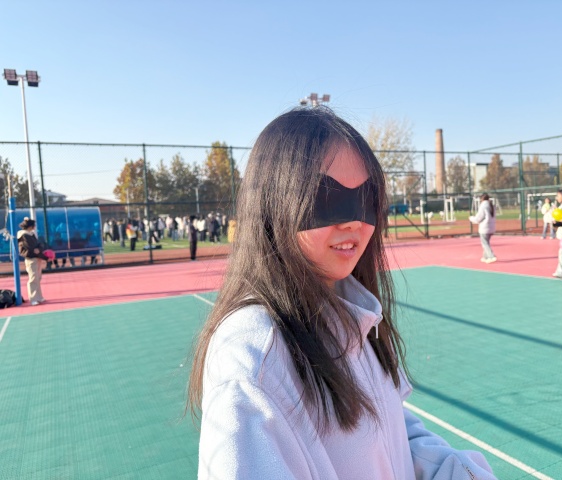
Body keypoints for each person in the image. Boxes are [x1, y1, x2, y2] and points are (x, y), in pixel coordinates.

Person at [188, 108, 495, 479]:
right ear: (275, 204)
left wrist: (455, 471)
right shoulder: (252, 359)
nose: (354, 221)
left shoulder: (358, 318)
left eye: (366, 198)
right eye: (328, 197)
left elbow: (391, 433)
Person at [17, 218, 49, 306]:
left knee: (38, 277)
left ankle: (39, 297)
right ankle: (33, 298)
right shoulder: (24, 235)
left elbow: (39, 245)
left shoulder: (31, 234)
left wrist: (39, 249)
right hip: (31, 259)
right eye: (34, 225)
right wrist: (45, 257)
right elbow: (31, 248)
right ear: (31, 226)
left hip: (37, 258)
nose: (35, 227)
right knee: (33, 278)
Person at [469, 193, 497, 263]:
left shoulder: (483, 206)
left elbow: (479, 218)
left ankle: (491, 256)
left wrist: (471, 218)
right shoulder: (491, 205)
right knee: (486, 243)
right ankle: (485, 257)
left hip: (485, 228)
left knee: (485, 243)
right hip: (491, 227)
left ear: (482, 199)